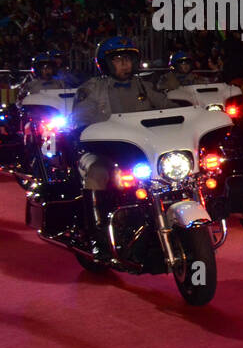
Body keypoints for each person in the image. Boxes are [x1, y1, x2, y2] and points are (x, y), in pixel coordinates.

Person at [69, 38, 177, 232]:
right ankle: (97, 229)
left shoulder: (144, 86)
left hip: (143, 149)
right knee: (98, 172)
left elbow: (168, 107)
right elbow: (79, 120)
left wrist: (190, 112)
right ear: (106, 64)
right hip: (105, 149)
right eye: (118, 60)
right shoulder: (92, 89)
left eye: (128, 59)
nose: (125, 64)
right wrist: (88, 130)